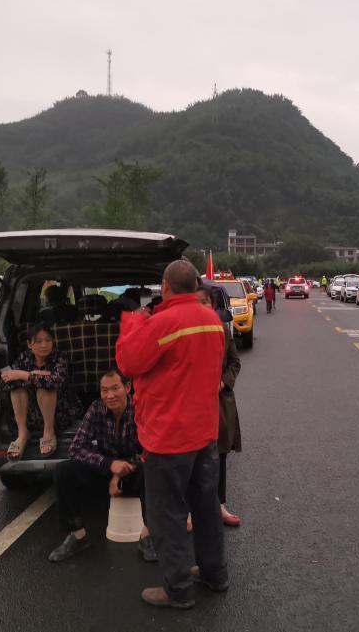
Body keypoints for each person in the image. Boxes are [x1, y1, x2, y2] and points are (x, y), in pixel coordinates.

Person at [116, 259, 229, 609]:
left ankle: (178, 589)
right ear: (195, 286)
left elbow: (128, 363)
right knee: (206, 508)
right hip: (205, 433)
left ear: (165, 287)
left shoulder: (164, 323)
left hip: (168, 438)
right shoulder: (213, 321)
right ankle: (214, 574)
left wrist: (134, 321)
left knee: (168, 516)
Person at [48, 366, 155, 562]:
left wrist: (119, 472)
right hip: (105, 470)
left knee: (152, 468)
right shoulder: (97, 408)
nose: (109, 395)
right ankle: (77, 536)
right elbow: (76, 447)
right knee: (63, 471)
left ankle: (149, 536)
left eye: (115, 388)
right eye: (104, 390)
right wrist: (108, 464)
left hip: (135, 471)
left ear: (128, 387)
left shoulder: (141, 408)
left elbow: (150, 450)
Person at [196, 283, 243, 527]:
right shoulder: (186, 333)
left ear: (212, 306)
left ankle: (220, 504)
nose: (200, 307)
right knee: (192, 457)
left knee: (220, 454)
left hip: (219, 403)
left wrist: (223, 383)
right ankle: (191, 510)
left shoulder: (223, 331)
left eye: (204, 302)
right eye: (196, 302)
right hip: (192, 404)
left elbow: (235, 363)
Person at [0, 322, 69, 458]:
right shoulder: (23, 358)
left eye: (48, 340)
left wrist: (24, 375)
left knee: (45, 387)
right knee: (17, 388)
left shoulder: (60, 357)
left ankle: (48, 432)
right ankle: (22, 433)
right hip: (30, 415)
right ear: (29, 344)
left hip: (59, 413)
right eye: (38, 341)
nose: (44, 345)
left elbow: (56, 381)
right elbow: (3, 383)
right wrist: (37, 374)